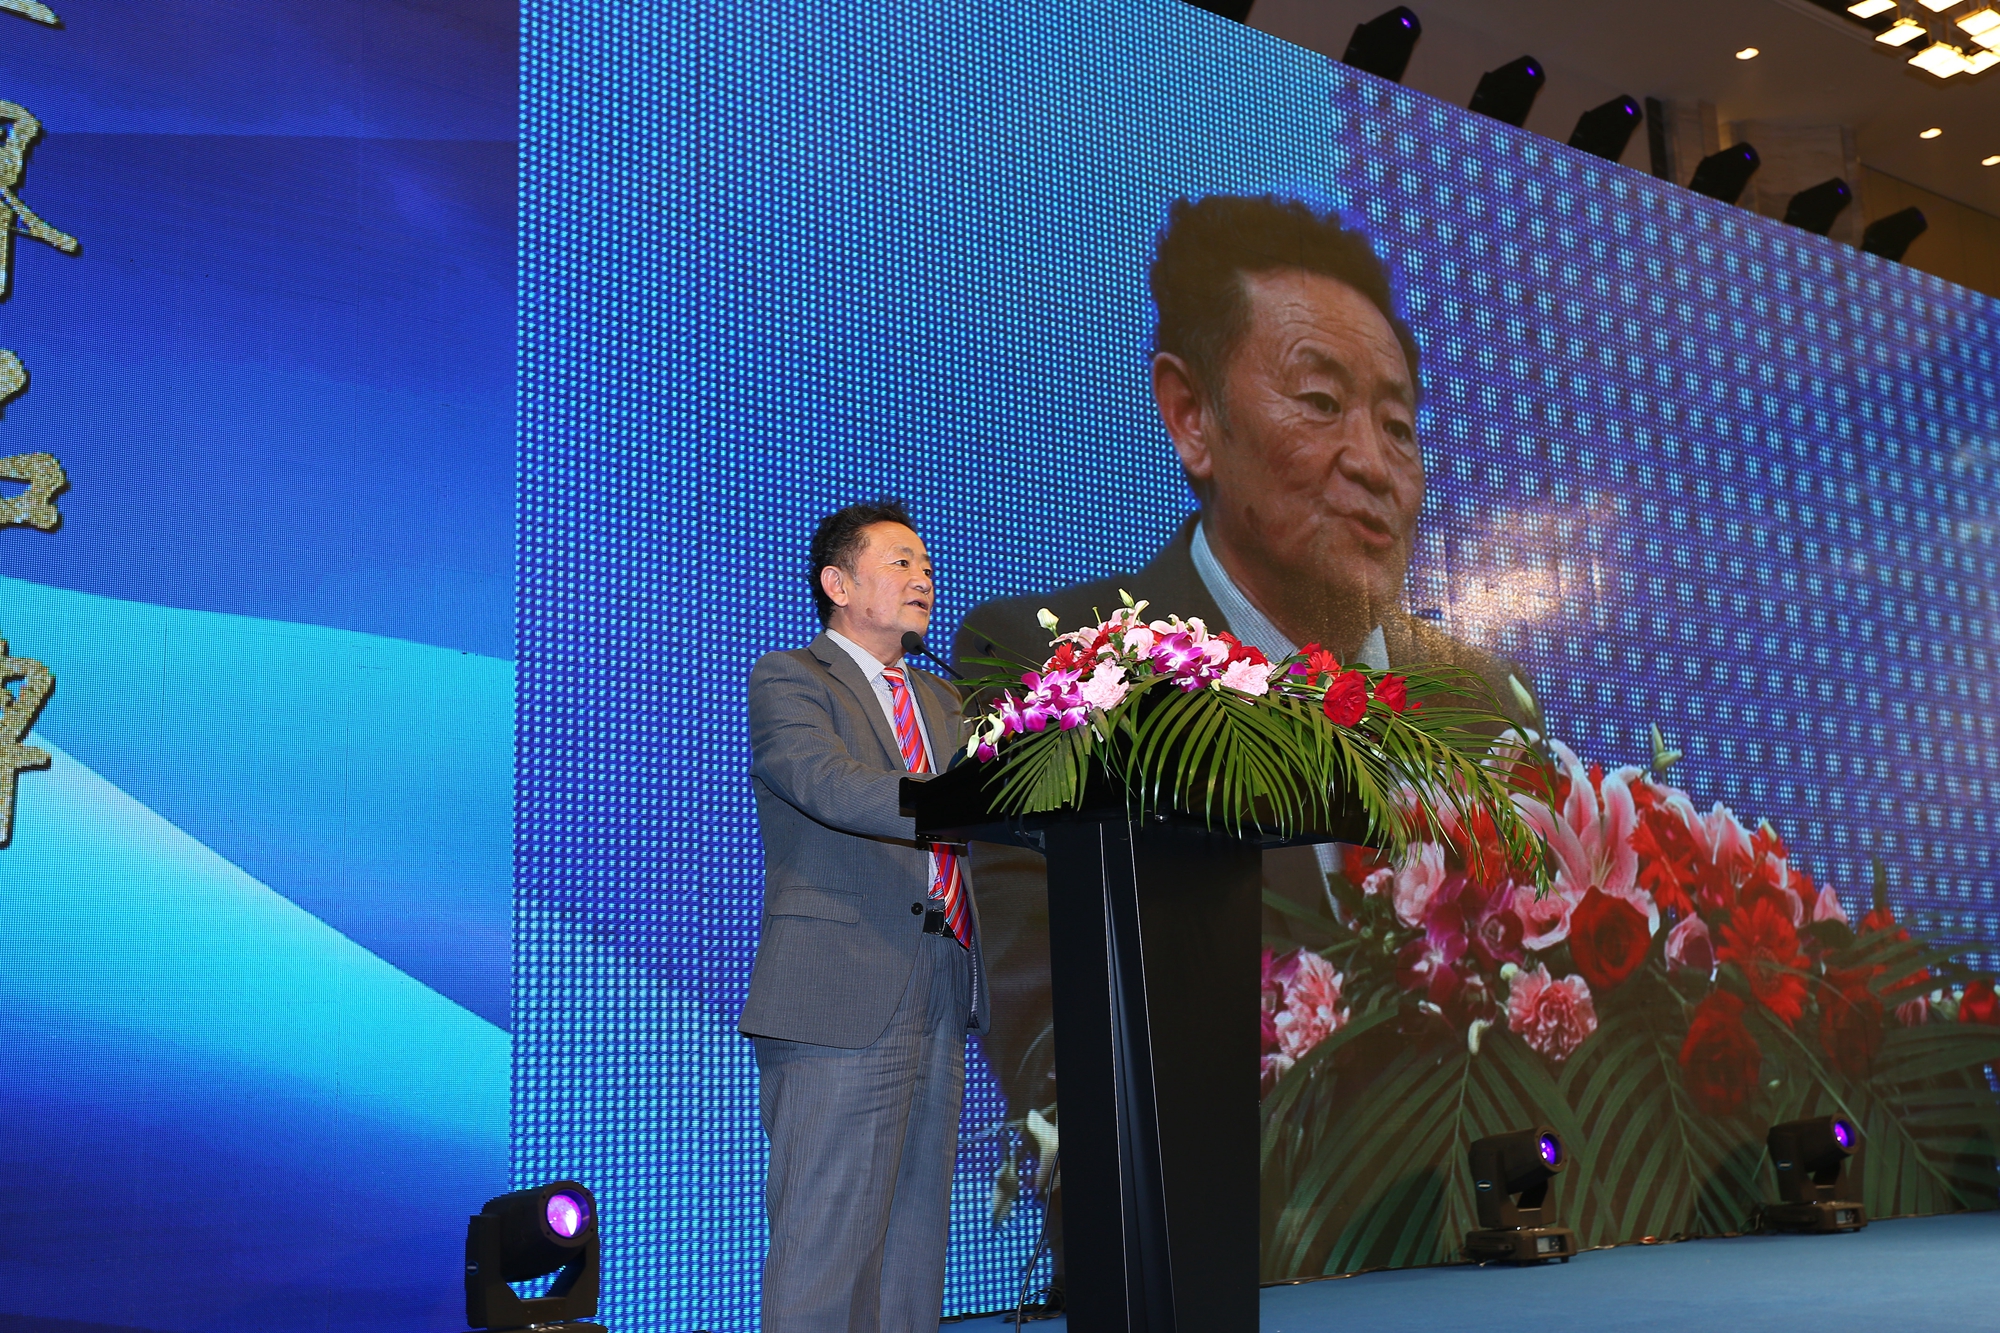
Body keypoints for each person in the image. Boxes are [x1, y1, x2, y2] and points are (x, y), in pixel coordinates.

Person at [954, 195, 1533, 1298]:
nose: (1373, 463)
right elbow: (1060, 1060)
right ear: (1191, 417)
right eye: (1320, 402)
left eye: (1399, 427)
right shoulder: (1069, 671)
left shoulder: (1480, 701)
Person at [742, 499, 987, 1333]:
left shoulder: (946, 699)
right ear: (838, 583)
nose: (923, 579)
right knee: (825, 1246)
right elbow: (827, 782)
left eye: (927, 566)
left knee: (913, 1247)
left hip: (943, 977)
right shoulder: (791, 678)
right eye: (901, 562)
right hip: (839, 991)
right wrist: (957, 796)